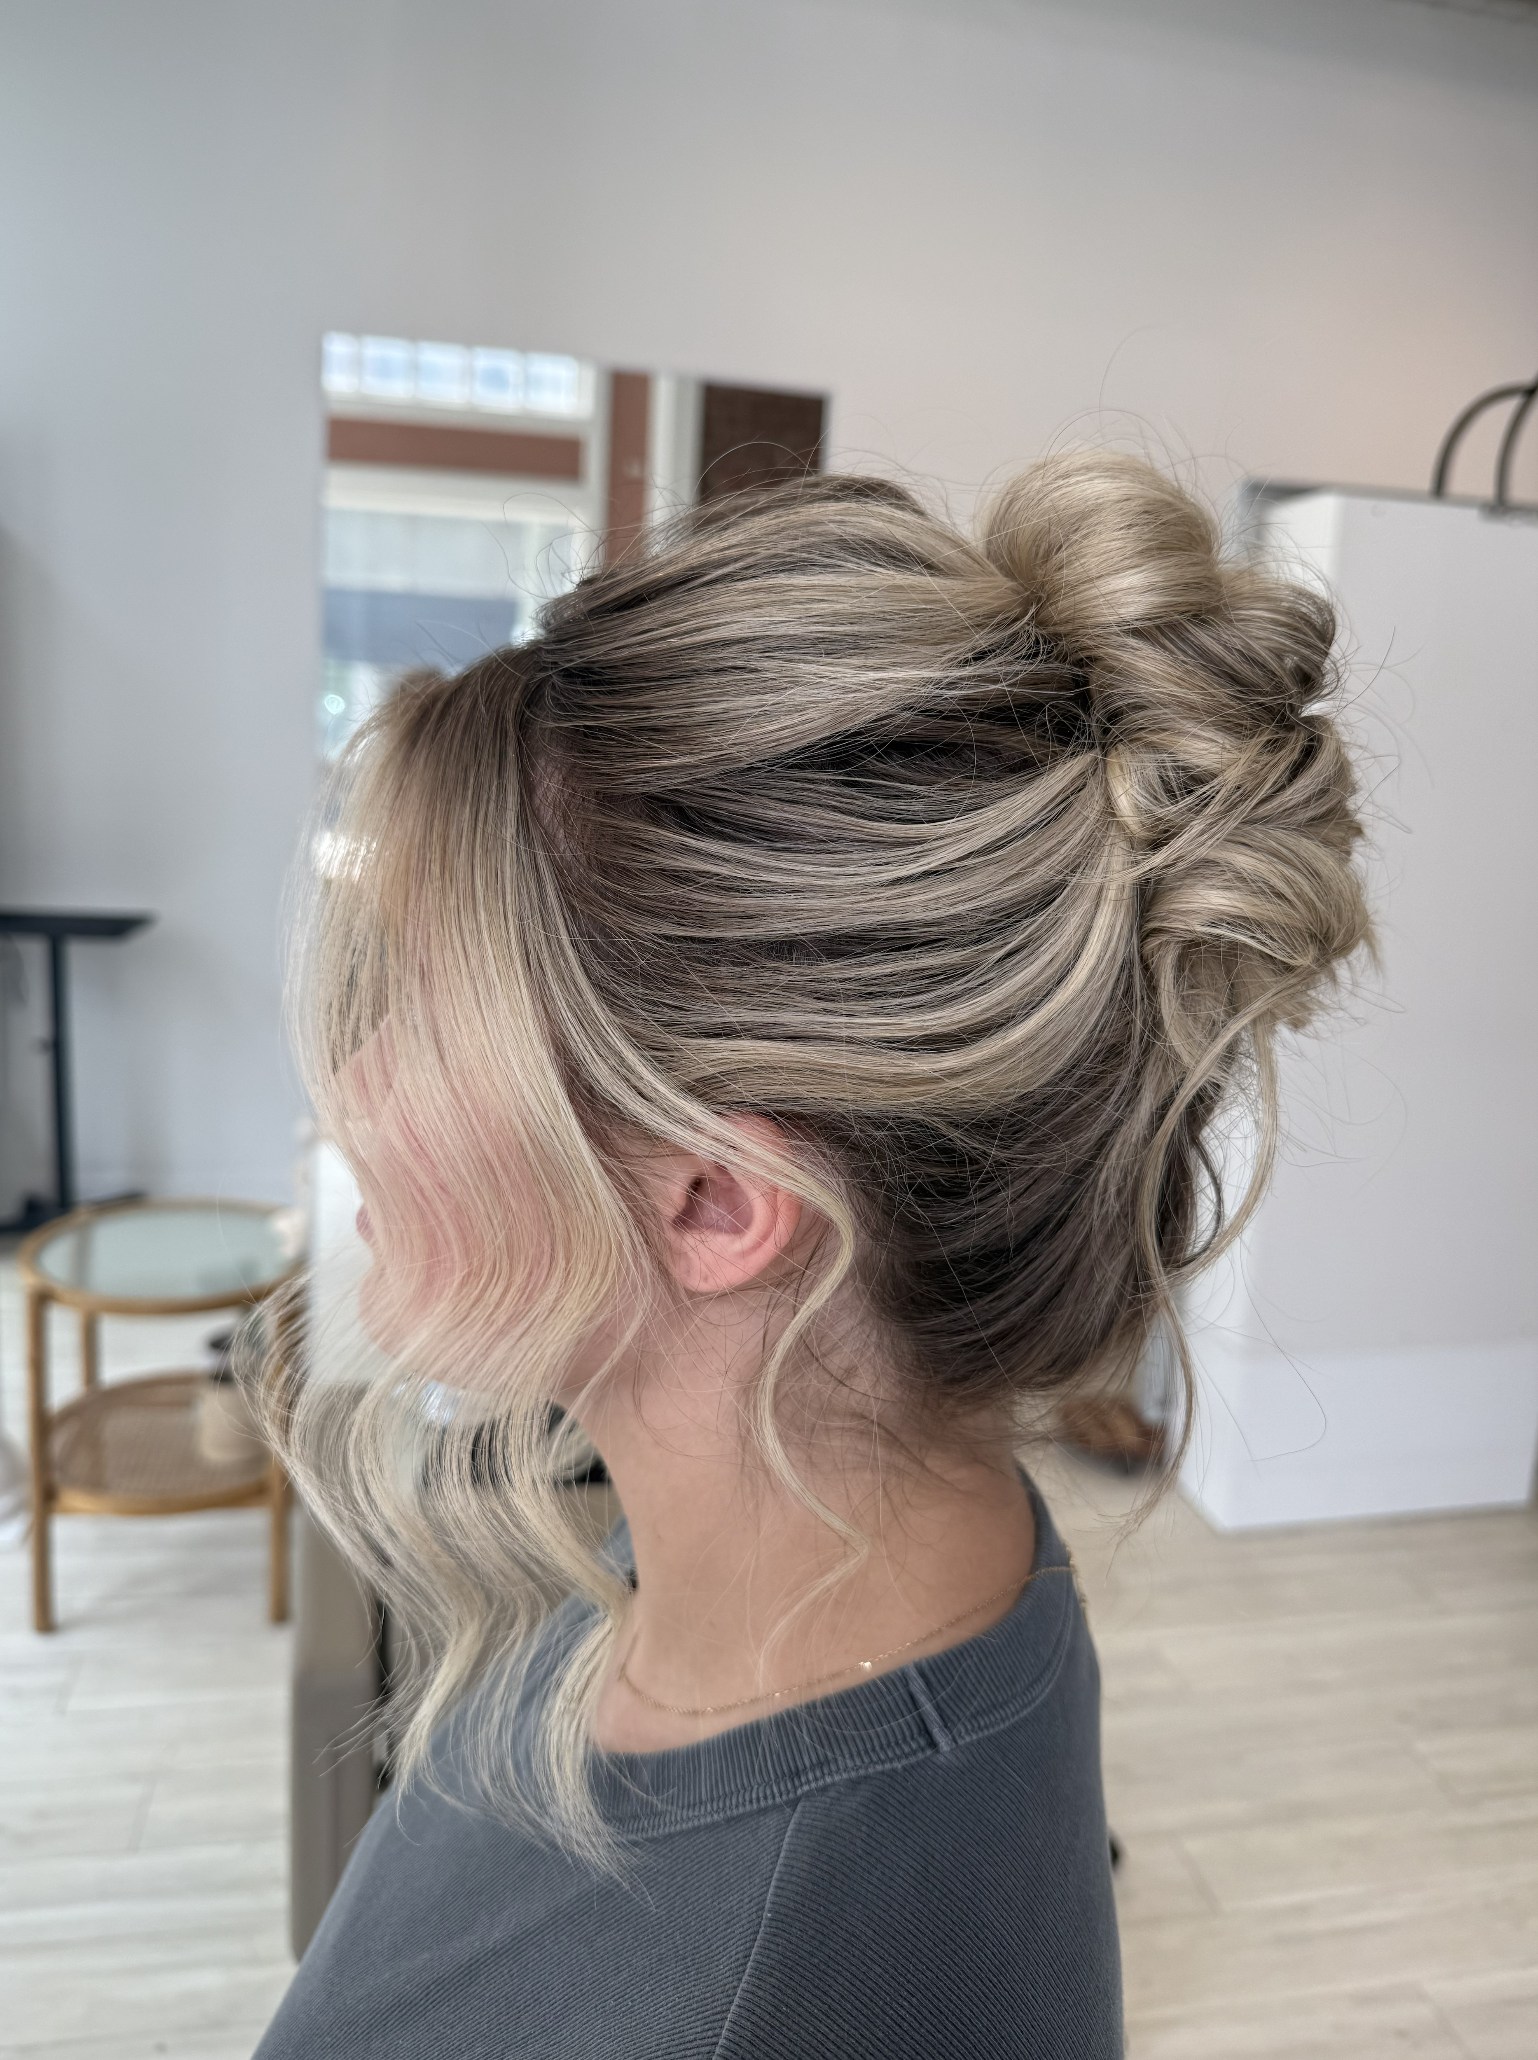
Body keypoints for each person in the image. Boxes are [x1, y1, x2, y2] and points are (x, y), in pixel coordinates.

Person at [254, 452, 1369, 2058]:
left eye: (415, 1019)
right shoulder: (923, 1566)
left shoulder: (733, 1995)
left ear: (711, 1200)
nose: (350, 1094)